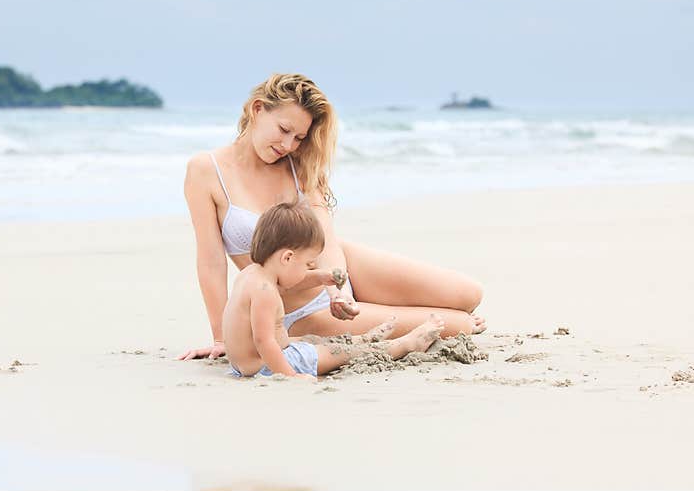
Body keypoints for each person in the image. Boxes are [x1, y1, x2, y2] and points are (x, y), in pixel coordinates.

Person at [179, 73, 484, 362]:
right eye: (284, 130)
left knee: (470, 294)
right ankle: (386, 313)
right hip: (303, 310)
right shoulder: (206, 170)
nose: (288, 145)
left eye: (299, 137)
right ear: (257, 110)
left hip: (339, 275)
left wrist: (337, 290)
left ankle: (372, 306)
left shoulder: (299, 166)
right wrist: (221, 338)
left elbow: (326, 240)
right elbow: (211, 261)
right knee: (462, 324)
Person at [224, 200, 445, 379]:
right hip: (268, 366)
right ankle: (405, 344)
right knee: (341, 354)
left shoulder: (253, 275)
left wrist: (322, 276)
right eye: (307, 264)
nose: (307, 270)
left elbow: (289, 283)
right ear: (288, 257)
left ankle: (364, 339)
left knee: (309, 340)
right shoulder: (265, 291)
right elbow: (264, 342)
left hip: (245, 364)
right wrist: (290, 376)